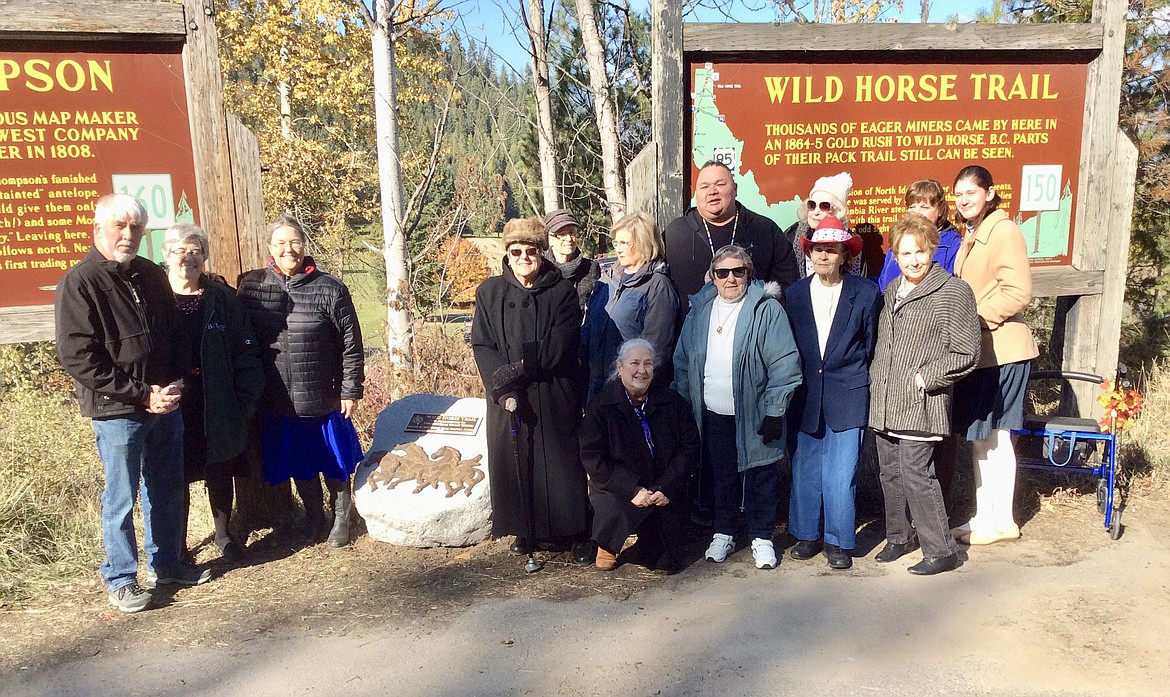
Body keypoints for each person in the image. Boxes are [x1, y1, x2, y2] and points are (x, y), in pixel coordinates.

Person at [55, 193, 209, 613]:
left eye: (136, 227)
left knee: (166, 487)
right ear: (99, 228)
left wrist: (174, 385)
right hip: (118, 409)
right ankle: (122, 578)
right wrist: (142, 394)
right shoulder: (80, 281)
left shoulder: (149, 274)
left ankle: (168, 564)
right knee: (121, 497)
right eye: (120, 226)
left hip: (164, 403)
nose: (128, 234)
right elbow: (77, 356)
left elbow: (174, 335)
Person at [237, 216, 365, 548]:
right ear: (269, 248)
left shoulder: (330, 289)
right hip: (277, 396)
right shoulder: (252, 287)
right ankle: (314, 517)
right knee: (299, 462)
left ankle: (342, 516)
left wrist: (351, 389)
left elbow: (351, 343)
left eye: (294, 242)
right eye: (280, 243)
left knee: (333, 461)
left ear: (304, 246)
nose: (288, 249)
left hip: (323, 395)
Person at [673, 245, 802, 570]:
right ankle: (724, 532)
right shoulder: (700, 311)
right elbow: (683, 362)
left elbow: (784, 363)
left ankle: (761, 537)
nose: (730, 278)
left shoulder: (765, 309)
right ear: (712, 277)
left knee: (760, 476)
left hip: (756, 414)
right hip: (713, 414)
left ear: (749, 273)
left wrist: (775, 409)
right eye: (723, 272)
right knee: (720, 476)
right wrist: (686, 405)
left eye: (738, 271)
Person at [471, 217, 592, 564]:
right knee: (516, 461)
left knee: (560, 465)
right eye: (516, 251)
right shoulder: (489, 292)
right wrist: (502, 382)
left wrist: (520, 369)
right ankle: (526, 530)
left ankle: (574, 531)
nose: (524, 257)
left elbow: (562, 343)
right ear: (507, 255)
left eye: (531, 251)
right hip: (507, 394)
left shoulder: (562, 292)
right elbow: (482, 343)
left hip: (553, 392)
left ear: (542, 253)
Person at [869, 214, 982, 575]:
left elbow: (967, 351)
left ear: (932, 249)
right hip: (886, 401)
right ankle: (899, 537)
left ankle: (941, 548)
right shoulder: (890, 292)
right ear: (896, 257)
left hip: (921, 401)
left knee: (916, 472)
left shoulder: (953, 291)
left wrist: (926, 377)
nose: (913, 260)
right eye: (905, 254)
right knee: (889, 473)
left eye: (920, 251)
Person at [784, 215, 881, 570]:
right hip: (806, 394)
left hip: (848, 392)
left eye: (831, 250)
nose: (823, 256)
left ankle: (838, 540)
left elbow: (870, 345)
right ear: (809, 253)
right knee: (805, 469)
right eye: (817, 249)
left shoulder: (866, 293)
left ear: (845, 254)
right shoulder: (794, 295)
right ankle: (807, 535)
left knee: (842, 473)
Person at [162, 223, 264, 561]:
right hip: (172, 401)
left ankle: (224, 536)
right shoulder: (154, 298)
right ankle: (176, 545)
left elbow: (246, 351)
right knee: (176, 471)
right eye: (180, 250)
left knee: (219, 465)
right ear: (166, 255)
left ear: (205, 255)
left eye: (195, 250)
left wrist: (245, 402)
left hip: (217, 396)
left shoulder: (222, 299)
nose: (188, 257)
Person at [950, 165, 1040, 545]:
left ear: (989, 193)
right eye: (958, 194)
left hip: (1002, 349)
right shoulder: (973, 234)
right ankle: (984, 516)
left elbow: (1017, 291)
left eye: (972, 191)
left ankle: (1002, 519)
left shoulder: (1002, 231)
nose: (964, 199)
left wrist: (972, 319)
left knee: (998, 437)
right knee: (980, 437)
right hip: (981, 353)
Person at [580, 338, 700, 571]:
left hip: (661, 486)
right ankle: (607, 542)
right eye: (634, 363)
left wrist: (666, 487)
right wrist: (632, 489)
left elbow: (689, 448)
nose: (641, 371)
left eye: (648, 364)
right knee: (615, 504)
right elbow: (593, 457)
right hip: (619, 486)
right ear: (620, 368)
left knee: (666, 562)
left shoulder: (672, 402)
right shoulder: (601, 407)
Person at [664, 160, 799, 310]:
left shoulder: (765, 230)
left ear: (735, 189)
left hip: (751, 328)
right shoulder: (675, 233)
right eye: (704, 186)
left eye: (720, 184)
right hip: (691, 328)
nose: (712, 191)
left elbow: (787, 285)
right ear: (697, 193)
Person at [582, 212, 679, 399]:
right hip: (596, 386)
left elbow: (656, 348)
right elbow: (590, 326)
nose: (618, 249)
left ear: (643, 243)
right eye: (616, 243)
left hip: (632, 392)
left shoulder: (658, 286)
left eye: (625, 243)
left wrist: (632, 386)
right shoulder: (607, 278)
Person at [876, 179, 963, 291]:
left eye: (924, 207)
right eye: (912, 207)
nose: (917, 213)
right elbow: (884, 282)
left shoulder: (953, 245)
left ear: (940, 210)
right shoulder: (899, 241)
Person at [783, 172, 858, 280]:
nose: (815, 212)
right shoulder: (791, 237)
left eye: (824, 206)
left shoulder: (850, 243)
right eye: (812, 205)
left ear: (839, 211)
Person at [543, 208, 599, 313]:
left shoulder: (591, 269)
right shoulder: (541, 270)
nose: (568, 238)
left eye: (571, 232)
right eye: (562, 234)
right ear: (550, 240)